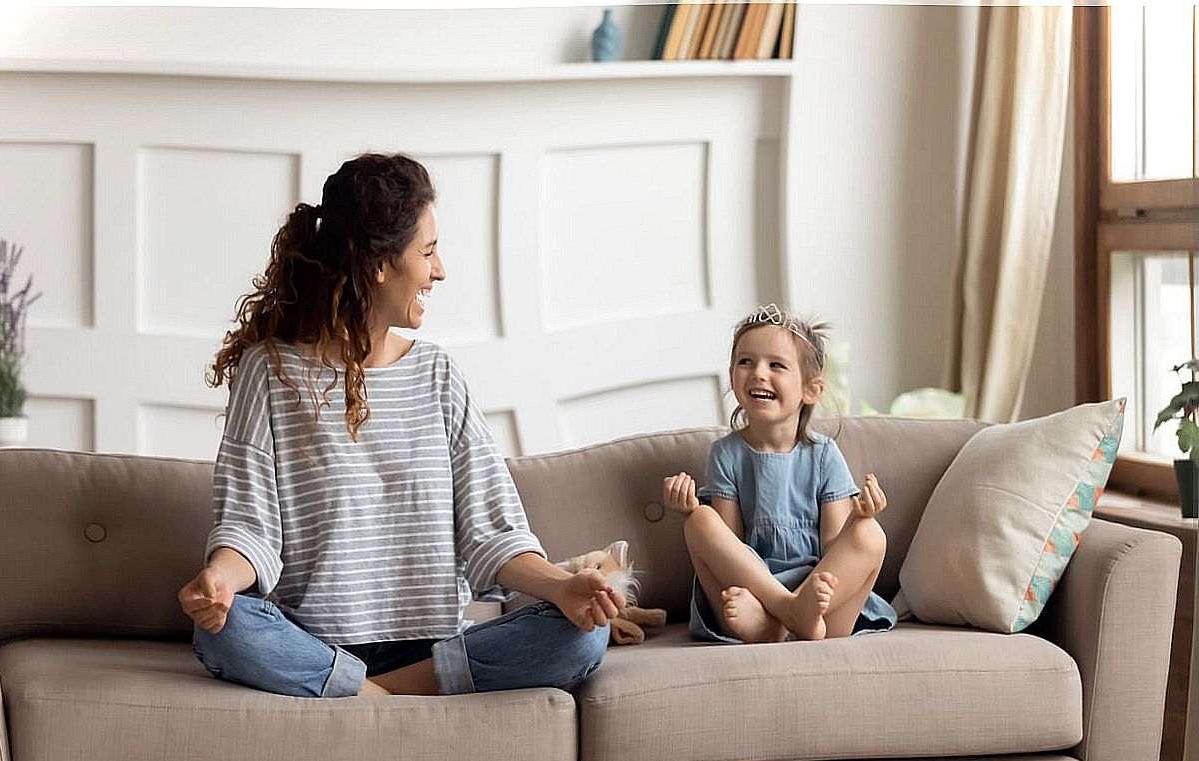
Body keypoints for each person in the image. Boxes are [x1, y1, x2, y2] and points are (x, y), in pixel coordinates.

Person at [178, 153, 623, 698]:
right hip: (313, 641)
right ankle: (389, 691)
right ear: (378, 264)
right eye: (428, 252)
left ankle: (364, 694)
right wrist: (220, 580)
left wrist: (563, 586)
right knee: (222, 633)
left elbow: (493, 536)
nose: (440, 271)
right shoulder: (269, 371)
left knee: (582, 638)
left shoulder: (437, 374)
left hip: (432, 644)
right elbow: (250, 530)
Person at [662, 303, 897, 644]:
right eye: (746, 362)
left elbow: (834, 547)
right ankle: (784, 613)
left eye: (776, 365)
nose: (758, 373)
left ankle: (783, 623)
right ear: (732, 376)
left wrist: (857, 519)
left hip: (821, 602)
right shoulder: (727, 454)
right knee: (699, 520)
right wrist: (687, 507)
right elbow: (730, 545)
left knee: (871, 534)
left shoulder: (824, 456)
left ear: (811, 390)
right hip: (752, 593)